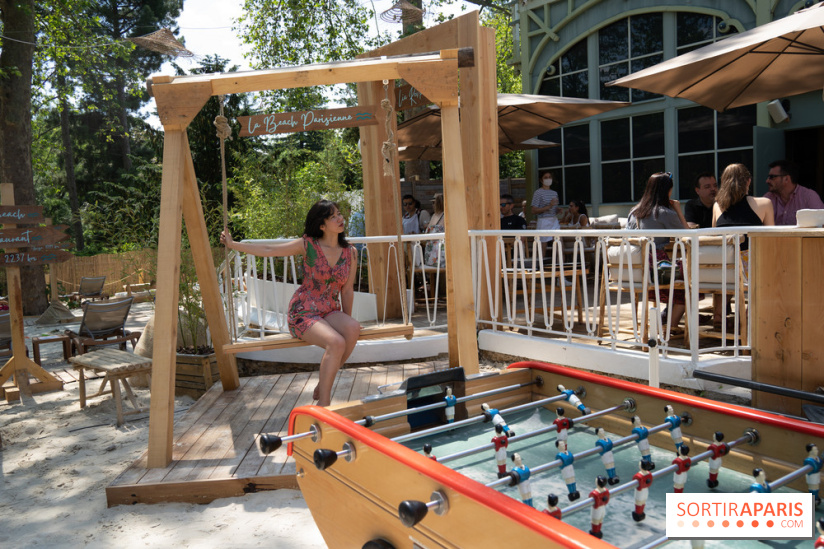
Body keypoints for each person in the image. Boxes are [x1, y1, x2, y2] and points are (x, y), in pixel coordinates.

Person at [220, 200, 360, 407]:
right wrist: (233, 245)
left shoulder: (350, 253)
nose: (341, 219)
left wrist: (347, 318)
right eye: (334, 217)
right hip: (304, 312)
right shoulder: (308, 245)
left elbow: (347, 291)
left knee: (353, 329)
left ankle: (323, 384)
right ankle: (324, 404)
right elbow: (269, 249)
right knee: (336, 342)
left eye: (339, 214)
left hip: (329, 310)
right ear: (322, 225)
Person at [626, 172, 690, 328]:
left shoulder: (634, 212)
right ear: (667, 191)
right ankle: (669, 328)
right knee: (691, 279)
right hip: (656, 270)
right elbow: (688, 235)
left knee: (682, 274)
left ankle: (666, 319)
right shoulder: (664, 213)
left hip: (634, 268)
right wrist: (678, 210)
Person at [713, 163, 774, 287]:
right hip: (752, 271)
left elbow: (714, 238)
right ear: (748, 181)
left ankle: (722, 306)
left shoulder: (717, 206)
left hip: (722, 270)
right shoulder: (764, 203)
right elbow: (771, 240)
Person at [764, 159, 824, 225]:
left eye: (772, 177)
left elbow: (821, 224)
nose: (767, 181)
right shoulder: (768, 198)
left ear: (786, 179)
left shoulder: (809, 197)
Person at [531, 170, 560, 252]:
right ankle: (541, 263)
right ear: (541, 180)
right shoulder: (538, 193)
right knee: (542, 246)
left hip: (554, 220)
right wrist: (549, 206)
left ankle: (559, 263)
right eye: (546, 177)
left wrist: (557, 210)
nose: (548, 179)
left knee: (559, 242)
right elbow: (533, 210)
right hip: (543, 221)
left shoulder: (554, 193)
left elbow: (553, 209)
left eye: (550, 177)